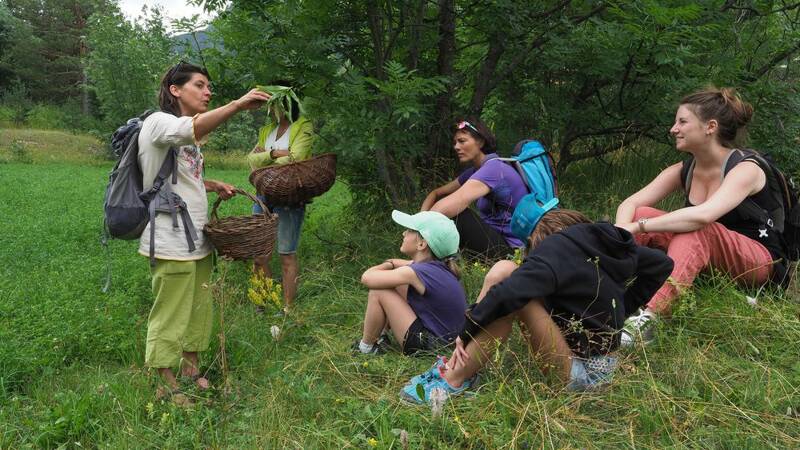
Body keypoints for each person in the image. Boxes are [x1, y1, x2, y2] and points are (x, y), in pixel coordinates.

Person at [400, 201, 673, 404]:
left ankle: (455, 381)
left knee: (515, 292)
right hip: (589, 363)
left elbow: (510, 294)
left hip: (584, 378)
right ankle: (461, 366)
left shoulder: (554, 251)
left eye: (529, 249)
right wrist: (620, 310)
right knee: (504, 270)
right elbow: (662, 264)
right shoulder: (599, 243)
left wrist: (467, 328)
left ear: (535, 239)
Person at [614, 87, 787, 345]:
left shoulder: (746, 169)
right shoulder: (686, 168)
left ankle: (649, 320)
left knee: (695, 228)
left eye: (682, 122)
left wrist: (638, 227)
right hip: (711, 257)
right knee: (642, 212)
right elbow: (632, 202)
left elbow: (703, 216)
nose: (674, 129)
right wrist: (619, 233)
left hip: (759, 264)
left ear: (710, 127)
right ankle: (602, 290)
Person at [139, 61, 269, 400]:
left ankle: (191, 369)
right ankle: (164, 381)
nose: (208, 91)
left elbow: (180, 177)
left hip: (199, 237)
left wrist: (210, 184)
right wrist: (238, 105)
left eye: (208, 86)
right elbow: (193, 128)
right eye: (199, 85)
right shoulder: (159, 122)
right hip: (169, 239)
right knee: (171, 308)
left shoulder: (189, 136)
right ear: (175, 90)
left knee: (199, 306)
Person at [354, 210, 468, 356]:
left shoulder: (415, 273)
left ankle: (366, 348)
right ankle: (381, 336)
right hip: (448, 343)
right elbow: (408, 265)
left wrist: (389, 263)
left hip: (430, 346)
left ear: (421, 244)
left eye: (409, 231)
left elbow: (367, 278)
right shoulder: (439, 266)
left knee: (379, 291)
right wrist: (394, 263)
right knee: (399, 284)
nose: (403, 234)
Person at [247, 82, 315, 314]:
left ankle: (287, 308)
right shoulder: (267, 130)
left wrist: (264, 157)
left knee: (286, 253)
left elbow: (297, 158)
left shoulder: (303, 126)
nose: (272, 108)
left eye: (275, 103)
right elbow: (250, 160)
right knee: (259, 254)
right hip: (263, 195)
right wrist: (276, 153)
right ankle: (262, 301)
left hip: (290, 198)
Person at [421, 118, 528, 260]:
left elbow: (448, 206)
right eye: (455, 143)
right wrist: (418, 221)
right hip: (494, 240)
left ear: (481, 142)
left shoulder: (494, 169)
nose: (456, 147)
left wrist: (417, 231)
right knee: (448, 207)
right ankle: (441, 261)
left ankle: (430, 262)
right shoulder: (475, 171)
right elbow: (436, 193)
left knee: (459, 214)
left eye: (462, 141)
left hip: (513, 250)